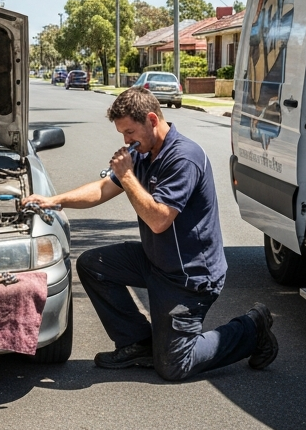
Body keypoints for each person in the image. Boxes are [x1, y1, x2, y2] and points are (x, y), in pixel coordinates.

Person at [22, 87, 277, 380]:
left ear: (152, 119)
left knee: (174, 366)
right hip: (155, 261)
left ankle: (252, 328)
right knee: (93, 265)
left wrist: (128, 177)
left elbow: (159, 220)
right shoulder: (143, 152)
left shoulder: (183, 158)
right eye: (122, 134)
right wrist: (55, 200)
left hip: (189, 278)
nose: (126, 141)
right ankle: (138, 343)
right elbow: (102, 188)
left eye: (130, 132)